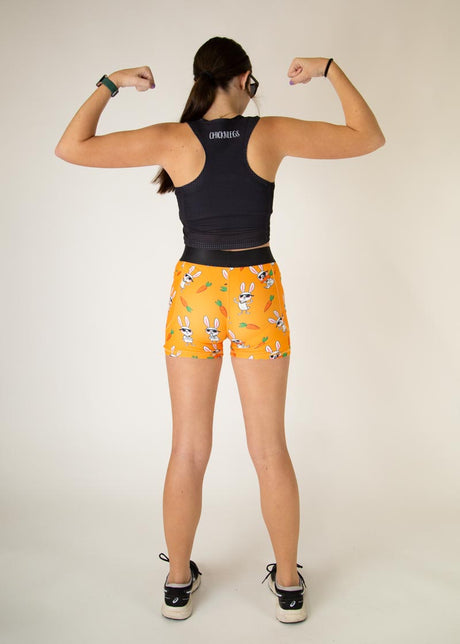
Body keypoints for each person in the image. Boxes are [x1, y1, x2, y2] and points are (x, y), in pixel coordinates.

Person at [55, 36, 385, 623]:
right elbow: (368, 136)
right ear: (244, 77)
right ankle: (289, 587)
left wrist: (112, 83)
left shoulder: (174, 139)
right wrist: (329, 69)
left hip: (196, 292)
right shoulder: (270, 133)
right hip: (258, 289)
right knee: (269, 448)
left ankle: (178, 582)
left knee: (188, 448)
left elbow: (70, 147)